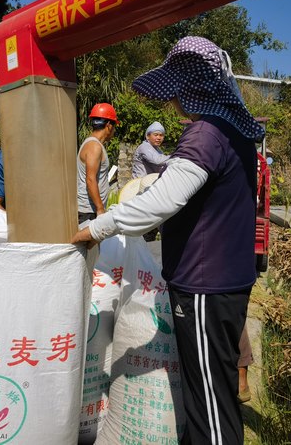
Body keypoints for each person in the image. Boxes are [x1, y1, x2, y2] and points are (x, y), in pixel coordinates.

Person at [72, 37, 263, 444]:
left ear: (191, 89)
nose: (173, 103)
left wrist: (95, 228)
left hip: (206, 285)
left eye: (177, 91)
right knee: (207, 392)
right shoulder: (232, 132)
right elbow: (185, 187)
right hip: (224, 279)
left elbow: (162, 202)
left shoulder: (206, 134)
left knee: (210, 401)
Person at [77, 102, 118, 224]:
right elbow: (90, 179)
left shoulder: (92, 144)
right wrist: (100, 209)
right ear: (109, 125)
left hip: (90, 211)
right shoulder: (94, 146)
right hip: (88, 212)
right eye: (114, 127)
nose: (114, 131)